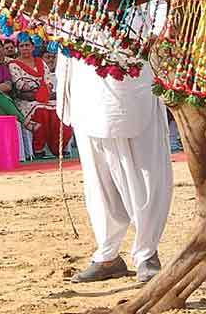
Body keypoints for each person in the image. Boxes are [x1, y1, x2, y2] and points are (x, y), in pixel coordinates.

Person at [57, 54, 172, 283]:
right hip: (85, 86)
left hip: (129, 86)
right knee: (98, 181)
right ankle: (107, 256)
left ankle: (147, 254)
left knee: (143, 176)